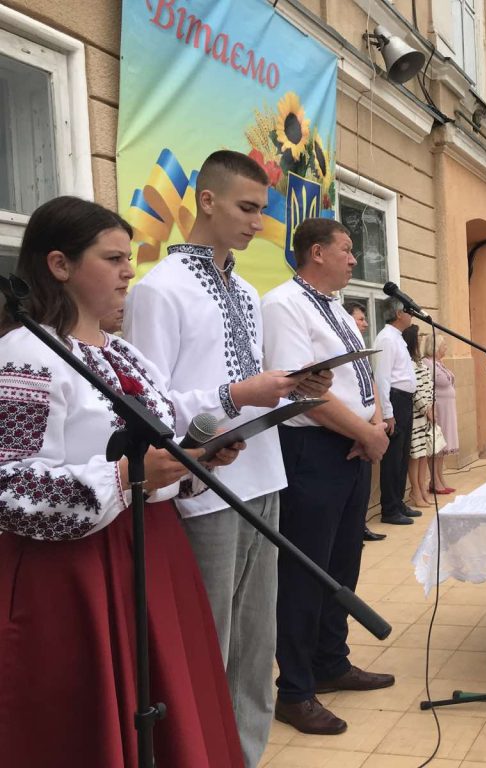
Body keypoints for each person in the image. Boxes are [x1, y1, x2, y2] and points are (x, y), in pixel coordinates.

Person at [0, 196, 247, 766]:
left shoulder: (123, 355)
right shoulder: (25, 354)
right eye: (112, 259)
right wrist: (124, 478)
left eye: (128, 258)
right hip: (73, 572)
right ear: (60, 265)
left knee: (167, 705)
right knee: (90, 722)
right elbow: (8, 485)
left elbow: (151, 452)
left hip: (153, 551)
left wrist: (192, 464)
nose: (128, 271)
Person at [122, 151, 330, 768]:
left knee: (256, 640)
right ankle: (203, 755)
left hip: (265, 471)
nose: (257, 223)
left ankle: (246, 755)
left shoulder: (245, 290)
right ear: (206, 201)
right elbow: (150, 405)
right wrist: (239, 394)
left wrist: (293, 386)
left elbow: (248, 381)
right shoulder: (158, 290)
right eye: (246, 208)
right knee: (209, 638)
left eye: (262, 210)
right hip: (205, 489)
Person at [261, 218, 393, 736]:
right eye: (346, 249)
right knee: (305, 573)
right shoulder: (283, 305)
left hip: (351, 447)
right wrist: (367, 433)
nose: (354, 259)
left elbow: (360, 376)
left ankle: (331, 662)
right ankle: (295, 691)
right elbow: (303, 392)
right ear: (316, 252)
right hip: (312, 452)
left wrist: (374, 425)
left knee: (341, 565)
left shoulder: (336, 307)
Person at [373, 298, 421, 525]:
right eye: (408, 311)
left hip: (404, 399)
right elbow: (382, 378)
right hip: (395, 399)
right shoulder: (386, 338)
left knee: (402, 454)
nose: (411, 315)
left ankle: (399, 502)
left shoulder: (397, 337)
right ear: (398, 314)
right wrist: (387, 413)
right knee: (393, 457)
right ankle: (390, 509)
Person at [344, 300, 386, 542]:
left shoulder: (360, 344)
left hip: (369, 428)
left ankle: (361, 527)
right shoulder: (341, 345)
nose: (366, 324)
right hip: (350, 431)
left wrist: (377, 424)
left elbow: (371, 383)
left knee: (364, 485)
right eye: (360, 319)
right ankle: (355, 530)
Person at [405, 324, 447, 505]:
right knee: (415, 455)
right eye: (418, 336)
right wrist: (426, 409)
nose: (421, 339)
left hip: (426, 415)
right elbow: (413, 390)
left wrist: (432, 407)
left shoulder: (420, 362)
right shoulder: (408, 362)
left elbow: (429, 386)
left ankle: (422, 489)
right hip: (417, 415)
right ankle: (415, 491)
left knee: (424, 454)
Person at [421, 333, 458, 492]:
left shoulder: (439, 363)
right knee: (436, 445)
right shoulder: (427, 363)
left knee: (441, 446)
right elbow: (427, 387)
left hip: (447, 408)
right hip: (438, 409)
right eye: (444, 345)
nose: (446, 348)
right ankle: (434, 481)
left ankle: (440, 478)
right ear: (435, 347)